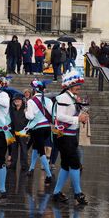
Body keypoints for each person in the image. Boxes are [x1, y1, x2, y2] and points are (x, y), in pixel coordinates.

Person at [52, 70, 89, 205]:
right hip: (64, 137)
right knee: (75, 164)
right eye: (76, 85)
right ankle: (78, 193)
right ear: (69, 86)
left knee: (66, 165)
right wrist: (77, 118)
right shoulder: (63, 98)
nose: (79, 87)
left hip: (71, 136)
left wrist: (81, 119)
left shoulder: (72, 97)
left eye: (79, 84)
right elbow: (59, 116)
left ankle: (56, 193)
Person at [24, 79, 53, 185]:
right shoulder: (48, 100)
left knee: (41, 151)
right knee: (36, 147)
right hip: (47, 128)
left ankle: (49, 175)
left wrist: (26, 112)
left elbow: (30, 116)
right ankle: (31, 169)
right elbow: (52, 114)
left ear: (34, 90)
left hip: (38, 129)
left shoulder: (31, 101)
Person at [9, 94, 29, 171]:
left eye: (18, 100)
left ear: (22, 101)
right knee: (13, 149)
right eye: (15, 100)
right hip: (14, 132)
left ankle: (24, 165)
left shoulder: (25, 109)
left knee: (23, 149)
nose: (16, 101)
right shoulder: (12, 109)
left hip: (23, 132)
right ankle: (13, 164)